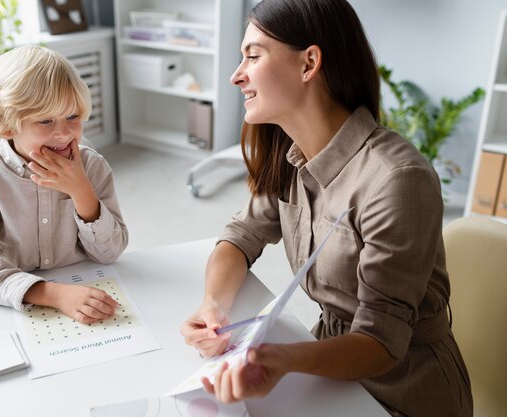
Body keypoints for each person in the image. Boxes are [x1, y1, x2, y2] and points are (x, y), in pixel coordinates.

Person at [180, 1, 472, 415]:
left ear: (309, 63)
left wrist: (284, 361)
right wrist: (214, 306)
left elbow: (381, 343)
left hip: (403, 387)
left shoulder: (397, 180)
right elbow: (239, 238)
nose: (236, 75)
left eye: (252, 55)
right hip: (329, 363)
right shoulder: (290, 155)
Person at [0, 45, 128, 324]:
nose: (63, 133)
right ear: (7, 126)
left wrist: (82, 191)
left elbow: (111, 253)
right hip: (15, 305)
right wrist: (55, 295)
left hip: (89, 287)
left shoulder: (93, 166)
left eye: (72, 117)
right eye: (45, 120)